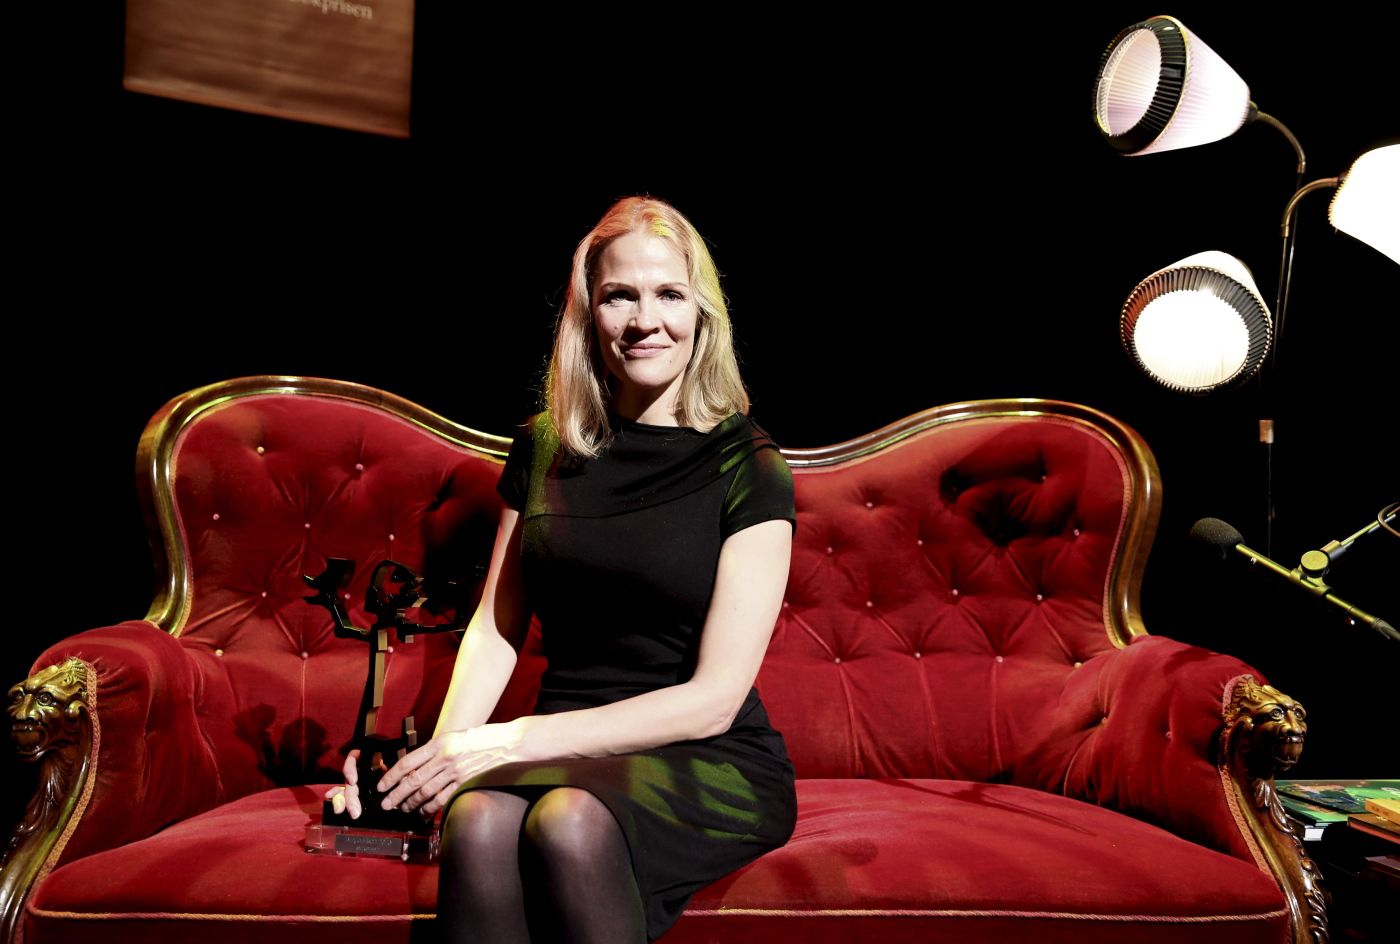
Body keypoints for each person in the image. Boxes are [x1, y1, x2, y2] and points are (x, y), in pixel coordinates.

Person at [326, 195, 798, 943]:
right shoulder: (546, 446)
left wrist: (508, 742)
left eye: (670, 294)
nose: (645, 321)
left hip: (703, 757)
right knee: (478, 819)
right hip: (558, 744)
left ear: (702, 313)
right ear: (588, 313)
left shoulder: (750, 466)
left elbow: (712, 701)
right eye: (620, 296)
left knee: (569, 822)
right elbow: (496, 629)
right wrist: (440, 763)